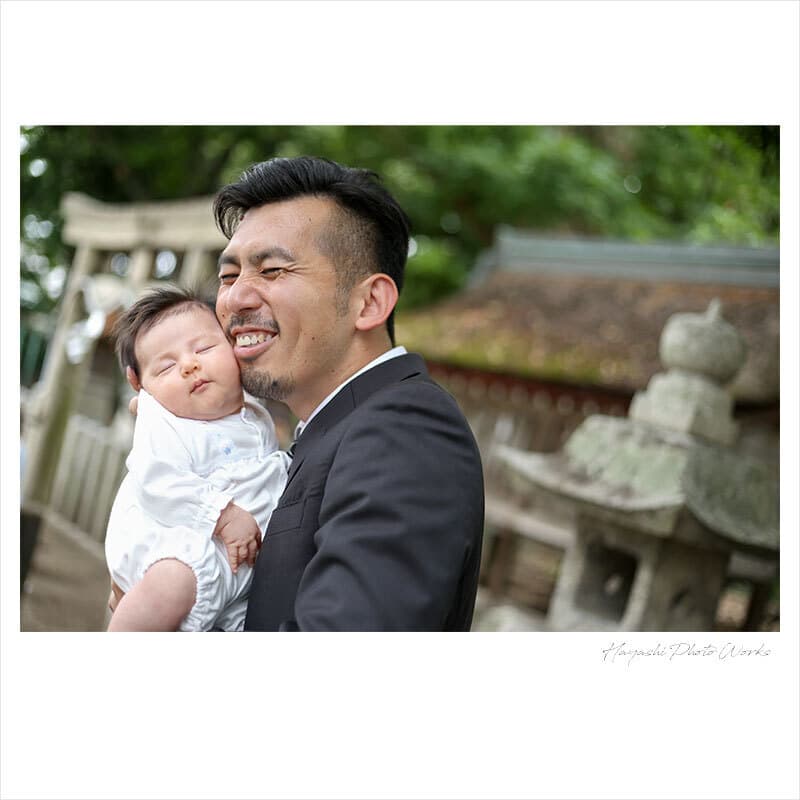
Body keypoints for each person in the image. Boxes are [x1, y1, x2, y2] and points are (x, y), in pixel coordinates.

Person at [212, 155, 485, 631]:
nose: (235, 297)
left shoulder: (407, 428)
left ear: (369, 302)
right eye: (229, 276)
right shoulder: (334, 428)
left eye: (272, 270)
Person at [105, 287, 288, 631]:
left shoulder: (252, 414)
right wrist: (222, 515)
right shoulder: (164, 422)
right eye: (166, 367)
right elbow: (156, 480)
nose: (190, 365)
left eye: (204, 348)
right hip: (181, 551)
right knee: (171, 584)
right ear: (139, 384)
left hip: (236, 578)